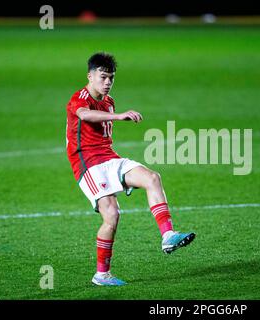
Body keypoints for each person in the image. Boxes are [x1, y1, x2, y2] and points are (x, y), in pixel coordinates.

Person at [66, 52, 195, 286]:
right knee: (112, 216)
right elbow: (85, 115)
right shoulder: (79, 98)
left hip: (109, 157)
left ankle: (168, 235)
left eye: (111, 78)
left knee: (152, 178)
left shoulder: (109, 101)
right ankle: (101, 275)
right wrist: (118, 116)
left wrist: (113, 112)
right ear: (90, 76)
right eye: (103, 77)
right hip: (87, 163)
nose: (107, 83)